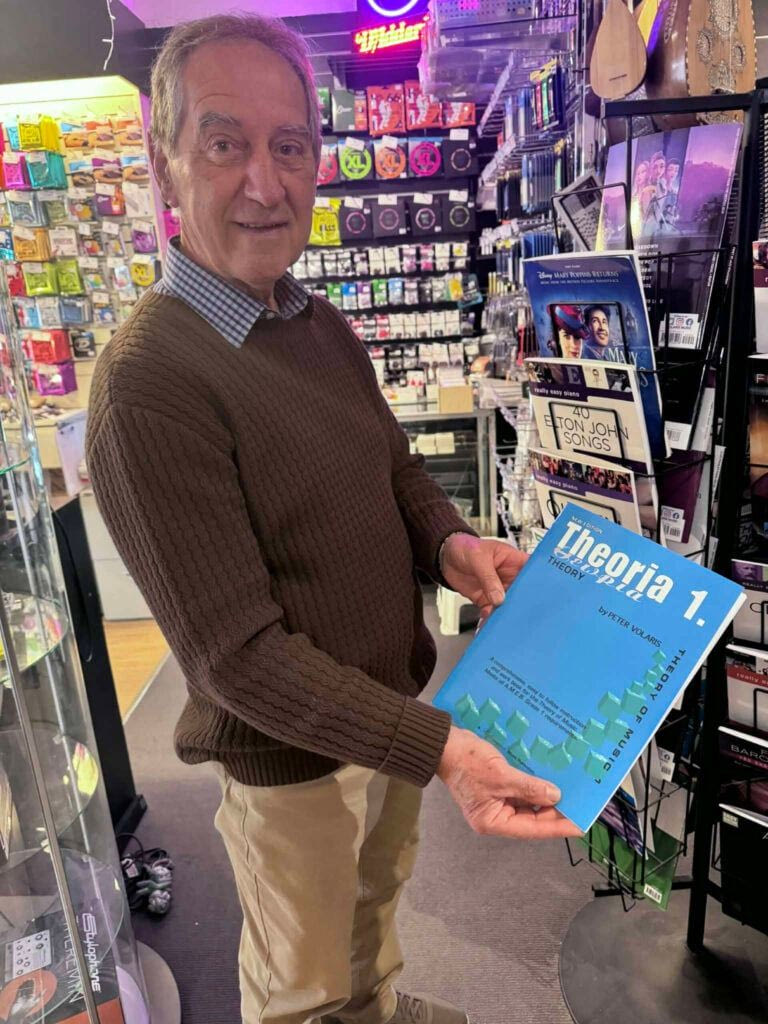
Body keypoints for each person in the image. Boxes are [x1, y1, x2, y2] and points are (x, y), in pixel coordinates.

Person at [85, 13, 579, 1024]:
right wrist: (438, 747)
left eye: (291, 146)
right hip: (292, 762)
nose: (265, 184)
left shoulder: (313, 319)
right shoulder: (148, 386)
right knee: (300, 983)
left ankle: (377, 1009)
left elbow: (391, 466)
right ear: (165, 161)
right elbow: (238, 659)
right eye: (224, 143)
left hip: (389, 715)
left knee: (373, 913)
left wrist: (450, 543)